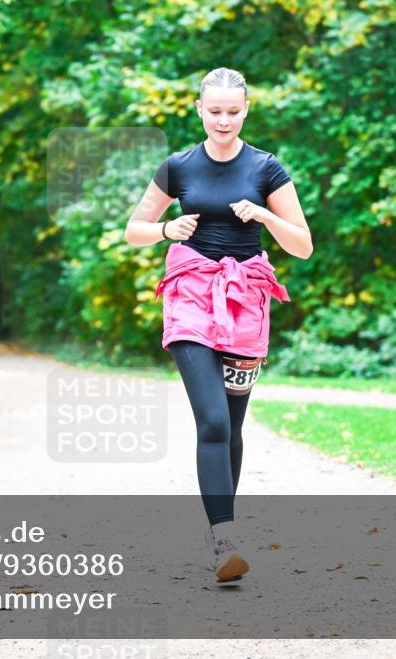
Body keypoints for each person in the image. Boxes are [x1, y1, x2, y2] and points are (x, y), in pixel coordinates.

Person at [124, 67, 313, 585]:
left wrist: (265, 217)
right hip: (189, 293)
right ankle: (223, 542)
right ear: (200, 110)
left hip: (246, 301)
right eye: (214, 111)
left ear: (246, 110)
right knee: (211, 420)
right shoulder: (178, 166)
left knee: (231, 426)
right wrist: (167, 228)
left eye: (233, 111)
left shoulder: (267, 168)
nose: (223, 120)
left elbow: (303, 244)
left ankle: (220, 532)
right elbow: (133, 230)